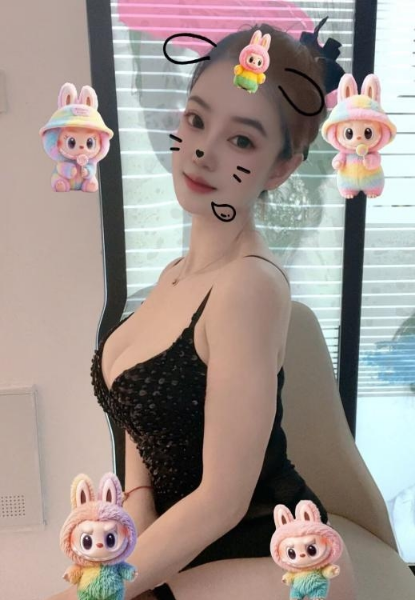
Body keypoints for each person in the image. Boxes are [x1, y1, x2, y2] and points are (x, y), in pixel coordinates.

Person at [48, 23, 356, 600]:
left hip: (276, 556)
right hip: (180, 547)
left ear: (280, 169)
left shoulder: (249, 286)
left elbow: (223, 500)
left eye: (241, 140)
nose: (202, 150)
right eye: (195, 120)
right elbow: (140, 444)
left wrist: (101, 590)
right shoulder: (172, 277)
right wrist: (127, 546)